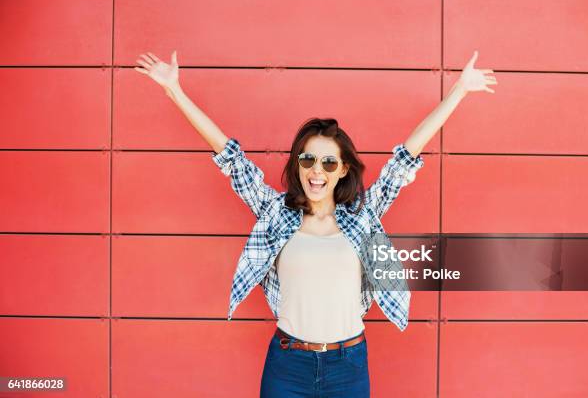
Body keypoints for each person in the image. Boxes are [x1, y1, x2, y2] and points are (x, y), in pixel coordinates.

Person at [135, 50, 496, 397]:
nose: (316, 171)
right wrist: (175, 90)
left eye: (328, 163)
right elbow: (230, 157)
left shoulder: (362, 216)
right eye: (308, 159)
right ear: (298, 165)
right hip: (288, 365)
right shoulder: (275, 212)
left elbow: (406, 157)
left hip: (348, 366)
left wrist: (459, 92)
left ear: (342, 170)